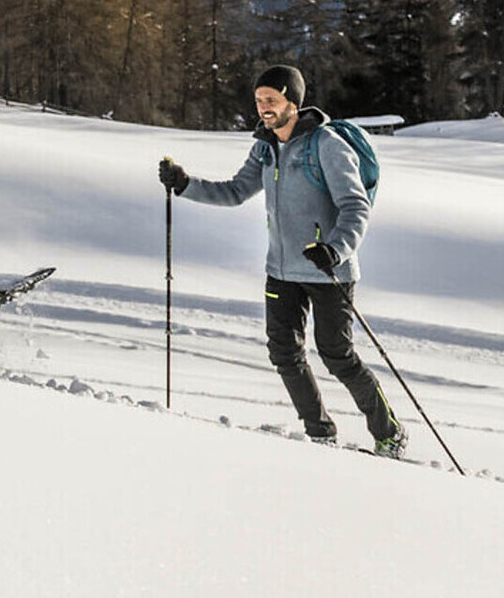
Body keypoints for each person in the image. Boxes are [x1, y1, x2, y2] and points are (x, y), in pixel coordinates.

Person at [158, 64, 406, 456]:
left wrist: (336, 249)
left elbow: (355, 206)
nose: (263, 108)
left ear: (293, 100)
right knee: (284, 353)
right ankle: (319, 432)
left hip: (329, 270)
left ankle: (389, 432)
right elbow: (237, 191)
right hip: (281, 270)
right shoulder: (265, 146)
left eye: (271, 100)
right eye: (259, 101)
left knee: (337, 356)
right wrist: (186, 185)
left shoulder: (326, 144)